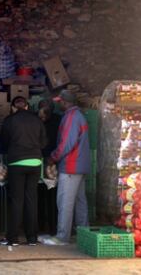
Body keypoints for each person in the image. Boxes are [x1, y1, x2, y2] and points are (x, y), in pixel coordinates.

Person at [43, 89, 90, 245]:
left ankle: (62, 236)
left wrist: (53, 157)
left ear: (65, 102)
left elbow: (66, 144)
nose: (59, 105)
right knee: (79, 202)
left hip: (70, 166)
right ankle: (83, 233)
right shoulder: (79, 116)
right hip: (80, 166)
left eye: (60, 102)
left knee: (65, 202)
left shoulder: (71, 117)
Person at [0, 96, 47, 246]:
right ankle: (32, 238)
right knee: (31, 199)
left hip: (17, 162)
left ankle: (13, 238)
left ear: (13, 107)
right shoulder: (37, 120)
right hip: (35, 163)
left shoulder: (9, 120)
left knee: (16, 200)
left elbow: (4, 142)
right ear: (27, 106)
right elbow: (43, 142)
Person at [37, 99, 61, 235]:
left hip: (52, 162)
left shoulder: (57, 120)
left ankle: (53, 227)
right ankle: (41, 226)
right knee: (40, 196)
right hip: (40, 161)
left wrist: (53, 157)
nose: (43, 114)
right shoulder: (36, 119)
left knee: (52, 197)